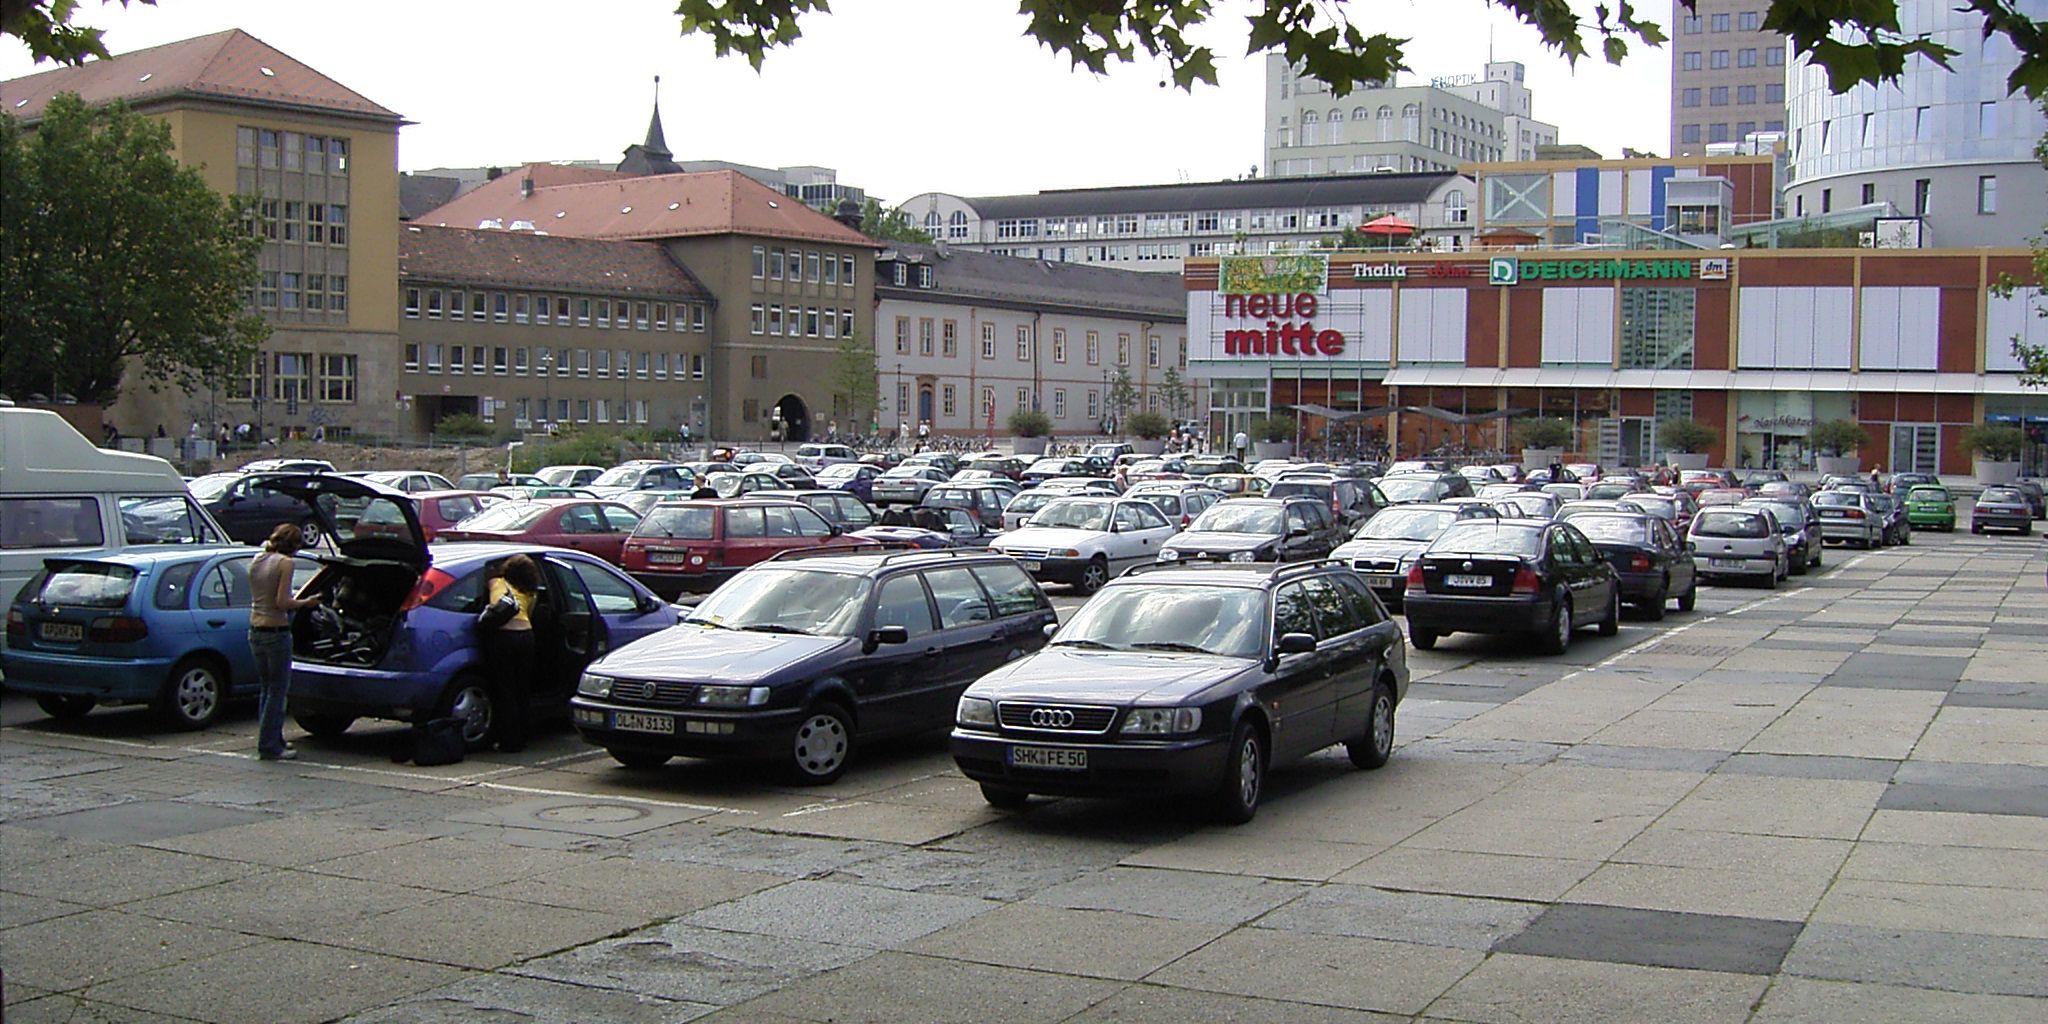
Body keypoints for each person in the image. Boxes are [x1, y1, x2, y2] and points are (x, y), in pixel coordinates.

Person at [250, 524, 318, 761]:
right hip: (276, 630)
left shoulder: (258, 559)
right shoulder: (285, 563)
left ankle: (270, 737)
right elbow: (282, 602)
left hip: (255, 630)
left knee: (267, 688)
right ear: (295, 545)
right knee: (278, 690)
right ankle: (269, 745)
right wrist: (306, 602)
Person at [482, 554, 541, 752]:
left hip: (504, 637)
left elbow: (494, 606)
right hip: (526, 636)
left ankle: (508, 740)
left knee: (505, 689)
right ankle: (523, 736)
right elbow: (528, 614)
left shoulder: (498, 583)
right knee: (522, 689)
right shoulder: (531, 591)